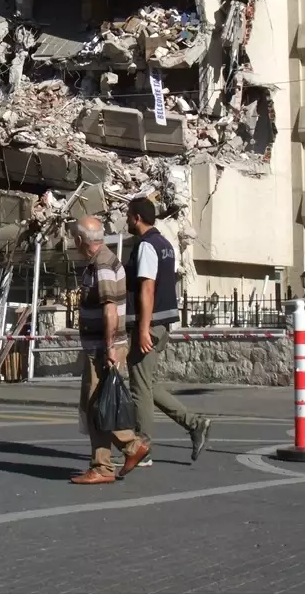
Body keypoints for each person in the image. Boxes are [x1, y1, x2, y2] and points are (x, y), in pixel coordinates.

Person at [124, 196, 212, 462]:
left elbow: (147, 288)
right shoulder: (165, 245)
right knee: (148, 384)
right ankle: (195, 424)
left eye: (128, 215)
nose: (126, 220)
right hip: (162, 324)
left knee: (139, 388)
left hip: (149, 326)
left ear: (137, 218)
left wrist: (142, 328)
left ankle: (142, 449)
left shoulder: (147, 246)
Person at [71, 215, 150, 485]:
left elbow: (110, 309)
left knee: (95, 406)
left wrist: (109, 348)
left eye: (74, 237)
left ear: (81, 240)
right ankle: (102, 466)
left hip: (103, 348)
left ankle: (130, 446)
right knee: (100, 405)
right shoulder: (104, 260)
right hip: (104, 346)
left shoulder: (102, 265)